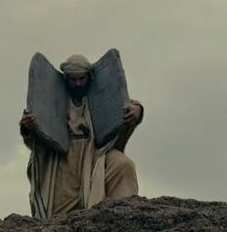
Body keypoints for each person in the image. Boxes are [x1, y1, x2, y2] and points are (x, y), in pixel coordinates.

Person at [19, 54, 144, 218]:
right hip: (63, 161)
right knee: (60, 215)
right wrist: (29, 126)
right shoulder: (54, 100)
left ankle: (124, 216)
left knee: (123, 164)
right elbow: (36, 126)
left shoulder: (98, 97)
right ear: (66, 80)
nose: (77, 84)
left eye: (81, 79)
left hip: (95, 155)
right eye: (73, 80)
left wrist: (137, 110)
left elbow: (125, 104)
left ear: (89, 78)